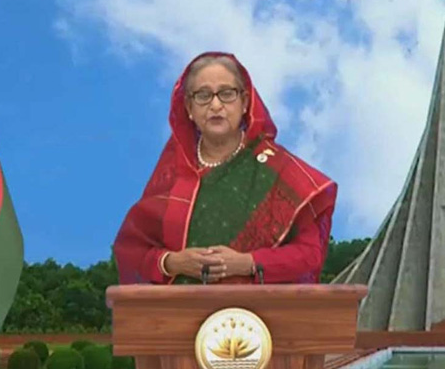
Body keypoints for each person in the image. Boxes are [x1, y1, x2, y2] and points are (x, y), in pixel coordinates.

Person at [113, 52, 337, 285]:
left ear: (245, 102)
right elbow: (133, 251)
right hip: (181, 306)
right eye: (203, 95)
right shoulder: (174, 174)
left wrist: (249, 263)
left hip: (258, 307)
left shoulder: (278, 169)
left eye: (227, 94)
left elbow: (309, 254)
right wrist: (172, 262)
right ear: (189, 107)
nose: (216, 105)